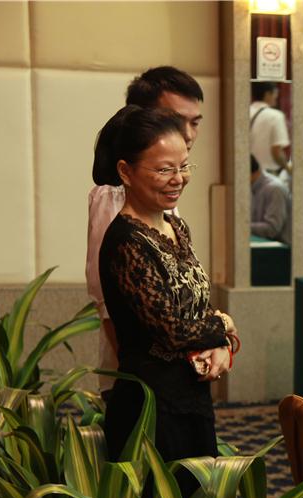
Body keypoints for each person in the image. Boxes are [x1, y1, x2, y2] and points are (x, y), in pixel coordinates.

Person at [93, 105, 236, 465]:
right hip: (150, 408)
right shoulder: (126, 241)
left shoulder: (175, 226)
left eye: (184, 166)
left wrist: (222, 345)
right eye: (164, 169)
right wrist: (224, 325)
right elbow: (175, 330)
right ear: (125, 171)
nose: (179, 178)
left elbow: (196, 312)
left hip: (191, 396)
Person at [86, 66, 205, 401]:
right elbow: (106, 299)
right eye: (175, 118)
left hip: (178, 370)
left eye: (195, 121)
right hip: (142, 382)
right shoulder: (116, 195)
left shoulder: (165, 191)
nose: (187, 132)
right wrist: (133, 375)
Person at [250, 81, 291, 178]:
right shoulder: (276, 116)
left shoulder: (243, 112)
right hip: (268, 175)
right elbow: (276, 152)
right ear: (267, 94)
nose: (277, 95)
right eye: (275, 92)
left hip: (248, 174)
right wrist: (288, 168)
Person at [250, 155, 291, 245]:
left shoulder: (274, 189)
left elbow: (272, 229)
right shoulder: (253, 188)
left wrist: (242, 227)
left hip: (281, 251)